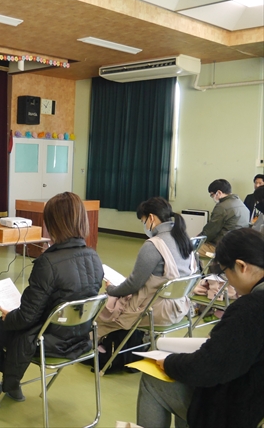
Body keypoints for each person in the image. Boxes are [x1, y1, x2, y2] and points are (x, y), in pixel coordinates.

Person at [0, 192, 103, 408]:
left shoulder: (48, 262)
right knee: (6, 329)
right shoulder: (94, 257)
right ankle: (12, 386)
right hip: (79, 339)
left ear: (53, 224)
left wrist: (9, 317)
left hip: (47, 341)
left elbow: (26, 318)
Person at [136, 228, 264, 428]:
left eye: (225, 272)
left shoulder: (251, 308)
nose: (227, 281)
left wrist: (169, 363)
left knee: (153, 380)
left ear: (241, 266)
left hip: (240, 409)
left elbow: (208, 368)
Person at [96, 197, 196, 338]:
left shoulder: (153, 245)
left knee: (102, 308)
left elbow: (133, 284)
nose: (144, 225)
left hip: (155, 311)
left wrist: (111, 289)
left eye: (143, 221)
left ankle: (101, 347)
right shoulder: (184, 240)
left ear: (151, 218)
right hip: (180, 307)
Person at [198, 179, 249, 256]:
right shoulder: (240, 204)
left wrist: (198, 239)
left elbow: (211, 230)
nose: (212, 197)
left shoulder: (222, 207)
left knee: (189, 249)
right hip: (238, 246)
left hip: (222, 247)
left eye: (212, 195)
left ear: (219, 192)